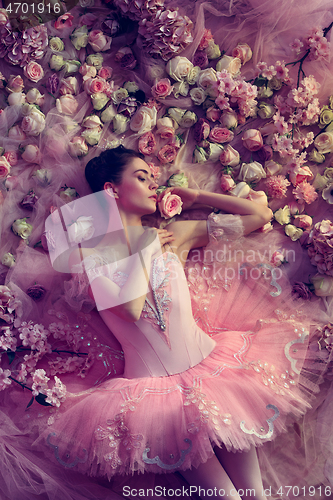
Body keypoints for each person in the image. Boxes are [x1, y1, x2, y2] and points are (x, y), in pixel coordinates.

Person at [17, 145, 323, 500]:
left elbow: (258, 214)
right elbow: (129, 309)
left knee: (256, 494)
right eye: (141, 176)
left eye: (152, 176)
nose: (152, 185)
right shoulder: (93, 256)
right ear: (111, 190)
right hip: (158, 401)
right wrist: (145, 249)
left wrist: (195, 196)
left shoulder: (175, 234)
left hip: (216, 374)